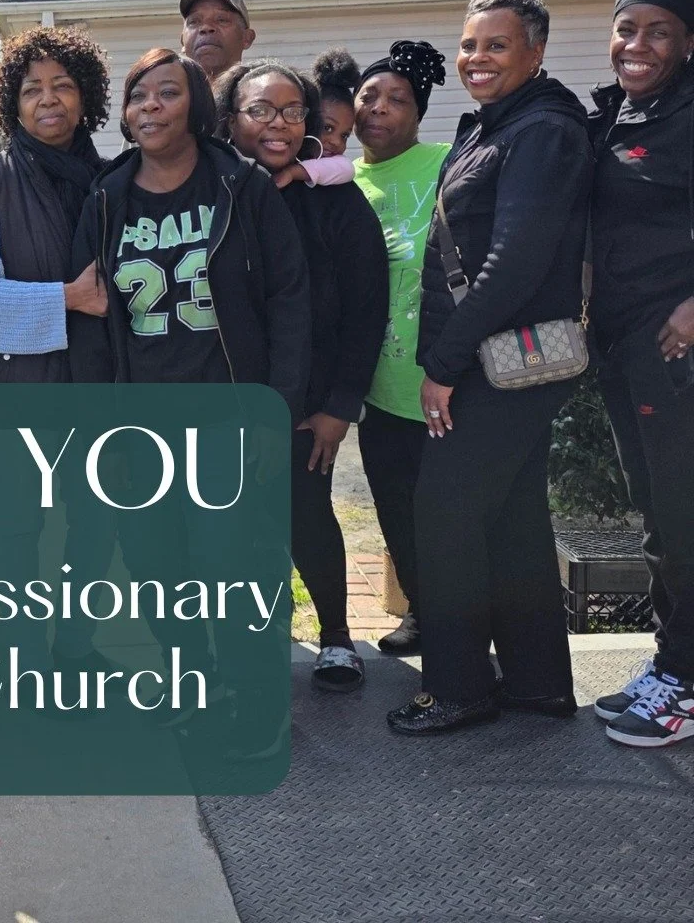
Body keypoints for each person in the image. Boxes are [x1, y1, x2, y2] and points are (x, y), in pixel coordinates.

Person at [71, 47, 310, 744]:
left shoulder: (241, 188)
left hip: (226, 414)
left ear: (196, 106)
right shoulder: (107, 197)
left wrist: (278, 412)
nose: (149, 106)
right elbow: (90, 323)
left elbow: (290, 301)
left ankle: (258, 704)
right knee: (156, 566)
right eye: (138, 95)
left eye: (166, 94)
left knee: (233, 566)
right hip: (141, 422)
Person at [386, 0, 593, 734]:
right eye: (470, 44)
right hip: (498, 360)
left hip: (499, 363)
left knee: (444, 518)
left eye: (496, 45)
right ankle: (537, 684)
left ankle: (459, 686)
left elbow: (513, 262)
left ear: (535, 52)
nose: (476, 58)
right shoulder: (497, 126)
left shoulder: (542, 132)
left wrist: (442, 363)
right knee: (510, 523)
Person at [215, 59, 387, 690]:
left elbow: (366, 310)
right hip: (225, 395)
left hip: (307, 398)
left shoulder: (335, 200)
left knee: (305, 512)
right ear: (230, 118)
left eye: (292, 111)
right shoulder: (209, 189)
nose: (278, 124)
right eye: (260, 110)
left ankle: (337, 638)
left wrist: (341, 404)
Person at [0, 26, 112, 673]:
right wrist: (66, 300)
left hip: (95, 387)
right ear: (12, 104)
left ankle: (75, 646)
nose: (49, 100)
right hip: (10, 392)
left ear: (86, 97)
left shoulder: (112, 181)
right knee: (18, 531)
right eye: (33, 88)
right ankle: (20, 657)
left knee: (95, 525)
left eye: (63, 86)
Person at [587, 0, 694, 749]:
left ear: (689, 41)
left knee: (684, 517)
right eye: (628, 28)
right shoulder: (619, 113)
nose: (638, 45)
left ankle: (684, 683)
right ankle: (672, 663)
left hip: (675, 347)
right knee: (658, 515)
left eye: (659, 30)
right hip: (623, 345)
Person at [345, 39, 450, 655]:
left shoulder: (446, 160)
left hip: (443, 380)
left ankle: (462, 629)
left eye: (397, 99)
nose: (379, 109)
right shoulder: (340, 177)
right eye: (369, 96)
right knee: (395, 512)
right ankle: (420, 611)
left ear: (418, 112)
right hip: (378, 388)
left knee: (447, 520)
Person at [179, 0, 256, 81]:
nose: (206, 27)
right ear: (183, 42)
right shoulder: (161, 95)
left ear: (247, 38)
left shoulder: (261, 94)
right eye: (194, 21)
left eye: (221, 20)